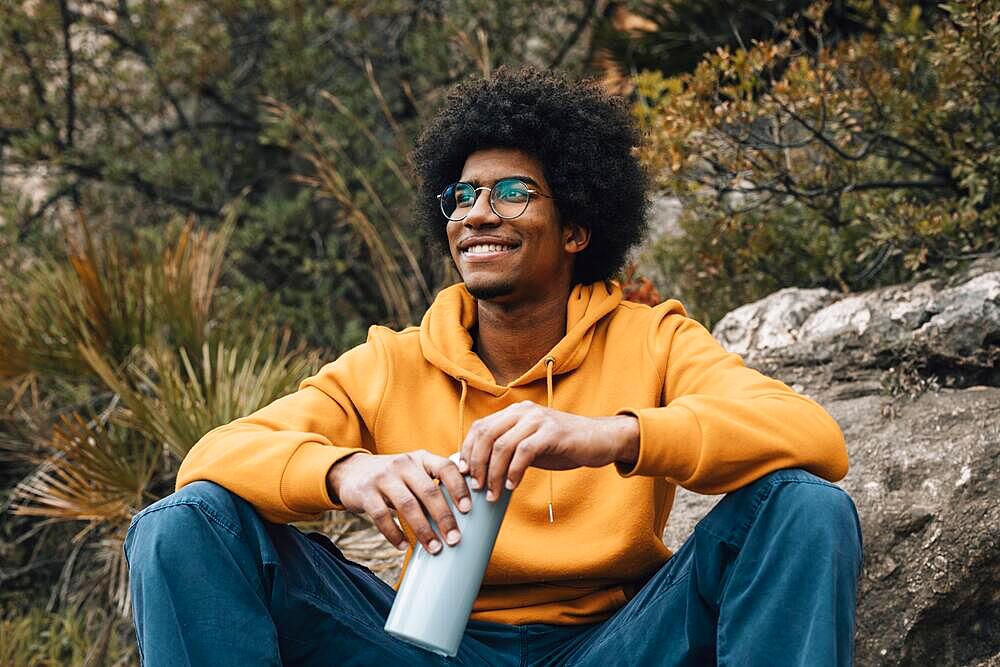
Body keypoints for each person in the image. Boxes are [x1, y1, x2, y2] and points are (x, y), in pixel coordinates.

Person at [125, 66, 863, 666]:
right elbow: (211, 459)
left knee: (803, 504)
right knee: (183, 524)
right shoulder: (392, 360)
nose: (479, 212)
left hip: (619, 644)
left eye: (513, 192)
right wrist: (348, 472)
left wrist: (607, 435)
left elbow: (812, 437)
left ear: (576, 226)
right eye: (463, 196)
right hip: (428, 647)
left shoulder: (654, 339)